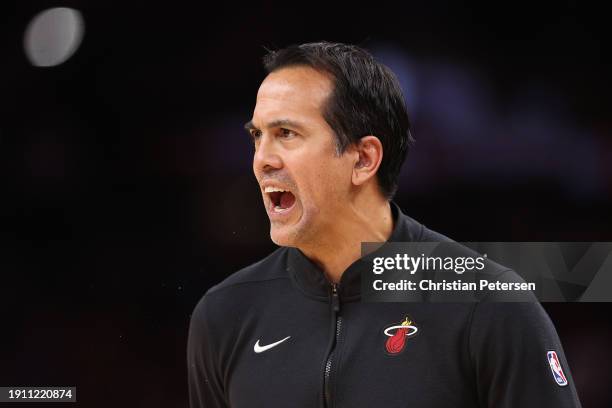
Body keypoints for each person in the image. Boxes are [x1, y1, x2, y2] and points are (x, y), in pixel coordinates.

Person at [187, 42, 582, 407]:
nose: (262, 159)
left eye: (286, 134)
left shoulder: (489, 306)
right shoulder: (225, 315)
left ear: (363, 159)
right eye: (258, 136)